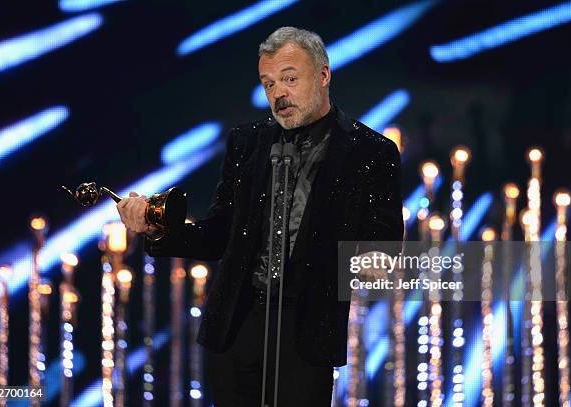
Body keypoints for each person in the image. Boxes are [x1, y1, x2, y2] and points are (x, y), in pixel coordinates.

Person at [117, 26, 402, 406]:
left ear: (323, 75)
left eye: (289, 79)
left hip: (306, 334)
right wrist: (157, 230)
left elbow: (382, 253)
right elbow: (219, 234)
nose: (278, 94)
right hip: (235, 327)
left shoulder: (370, 151)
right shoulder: (247, 142)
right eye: (268, 84)